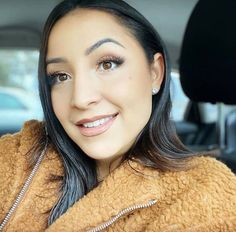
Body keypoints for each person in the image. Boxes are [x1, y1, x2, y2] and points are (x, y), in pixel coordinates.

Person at [0, 0, 236, 231]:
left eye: (107, 64)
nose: (81, 99)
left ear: (155, 72)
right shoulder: (18, 158)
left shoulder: (205, 195)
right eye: (60, 76)